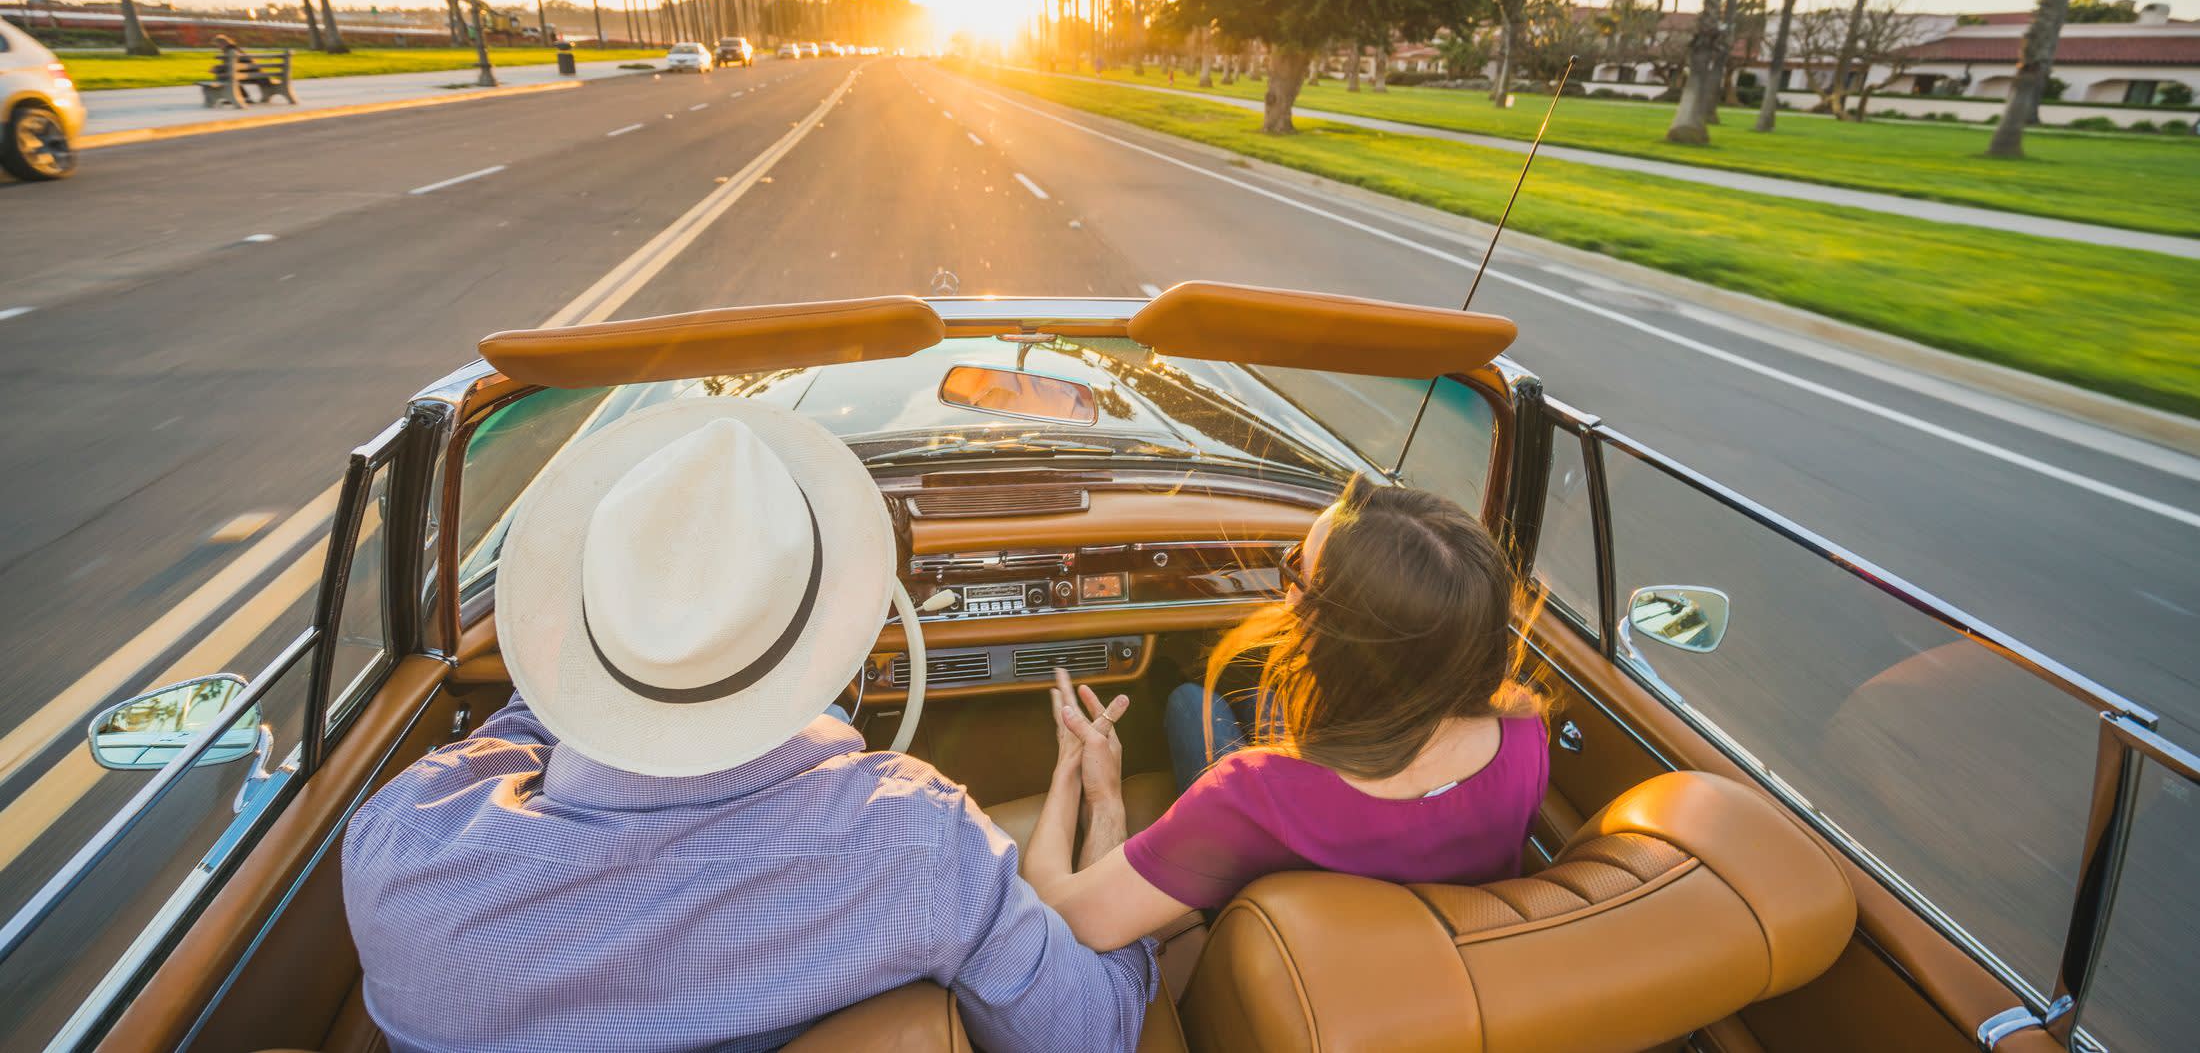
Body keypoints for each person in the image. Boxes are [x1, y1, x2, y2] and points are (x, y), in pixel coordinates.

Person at [343, 398, 1154, 1052]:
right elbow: (1096, 1033)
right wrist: (1105, 810)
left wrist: (640, 640)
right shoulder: (916, 844)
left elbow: (531, 722)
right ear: (848, 639)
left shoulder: (397, 850)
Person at [1019, 475, 1549, 952]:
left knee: (1189, 706)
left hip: (1258, 953)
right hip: (1401, 968)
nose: (1289, 594)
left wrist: (1091, 784)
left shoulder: (1251, 798)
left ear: (1340, 638)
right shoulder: (1525, 733)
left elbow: (1067, 918)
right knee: (1214, 705)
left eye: (1297, 568)